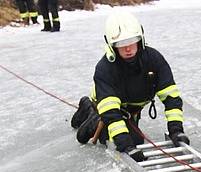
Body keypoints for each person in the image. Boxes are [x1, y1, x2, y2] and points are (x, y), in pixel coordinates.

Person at [71, 9, 189, 162]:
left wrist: (176, 130)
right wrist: (124, 144)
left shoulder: (154, 59)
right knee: (84, 137)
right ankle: (88, 108)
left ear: (140, 38)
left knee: (135, 139)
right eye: (121, 44)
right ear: (111, 44)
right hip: (107, 106)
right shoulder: (105, 68)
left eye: (131, 41)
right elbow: (111, 113)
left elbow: (171, 97)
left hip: (132, 107)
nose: (128, 48)